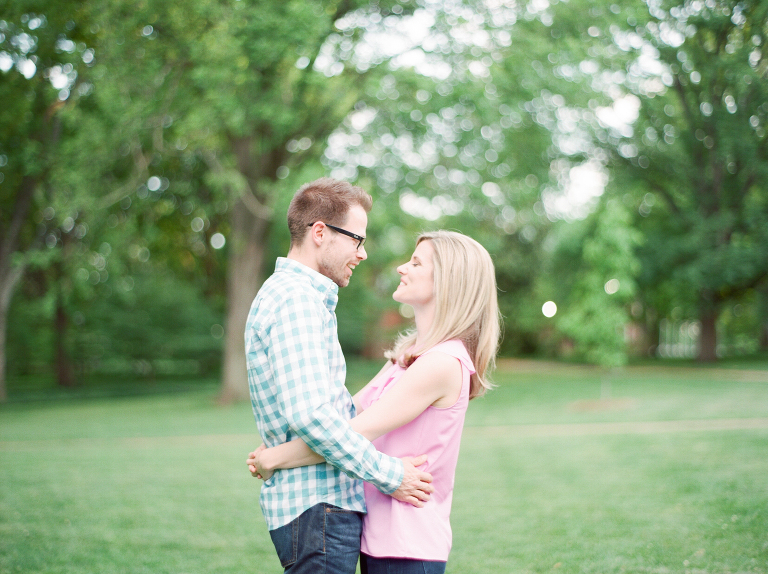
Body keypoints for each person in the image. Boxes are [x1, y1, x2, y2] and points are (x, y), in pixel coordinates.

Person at [248, 230, 501, 574]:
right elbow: (339, 421)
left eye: (415, 262)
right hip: (377, 537)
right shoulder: (406, 357)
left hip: (409, 543)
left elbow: (352, 433)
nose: (401, 267)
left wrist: (273, 458)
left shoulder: (443, 363)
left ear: (449, 281)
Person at [244, 177, 435, 574]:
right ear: (319, 233)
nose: (362, 253)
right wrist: (389, 475)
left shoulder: (301, 298)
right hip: (318, 508)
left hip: (320, 509)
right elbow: (312, 416)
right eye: (356, 239)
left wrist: (275, 457)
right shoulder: (296, 300)